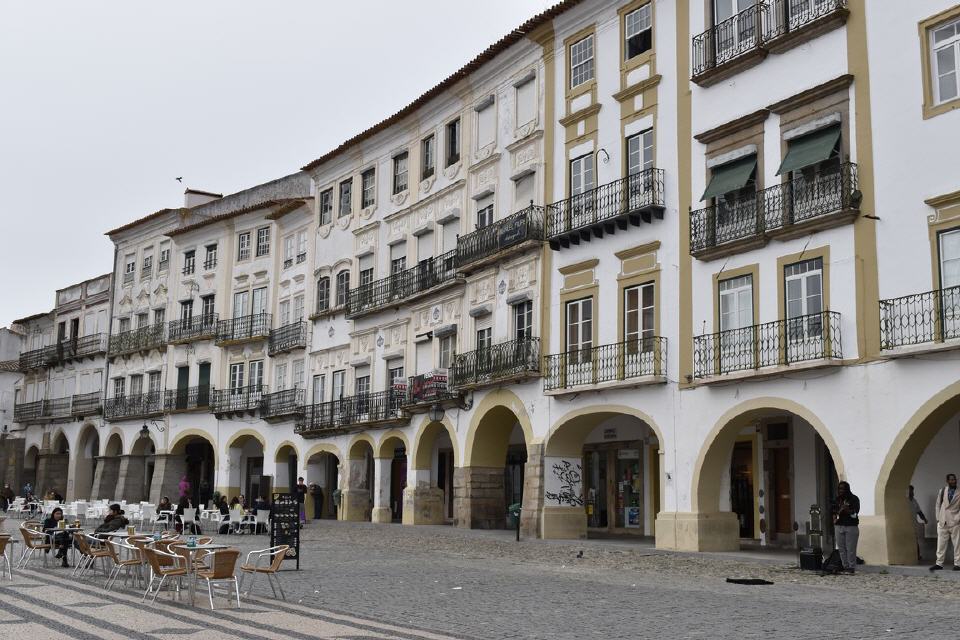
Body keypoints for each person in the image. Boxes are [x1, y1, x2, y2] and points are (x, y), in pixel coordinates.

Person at [930, 473, 960, 571]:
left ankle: (958, 564)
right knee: (941, 544)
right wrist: (938, 518)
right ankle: (939, 564)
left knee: (957, 544)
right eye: (951, 480)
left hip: (955, 522)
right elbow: (938, 505)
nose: (953, 481)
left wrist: (957, 519)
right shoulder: (942, 491)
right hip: (942, 521)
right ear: (947, 481)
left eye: (954, 479)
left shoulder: (959, 492)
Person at [832, 481, 860, 574]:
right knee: (841, 548)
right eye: (839, 489)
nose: (841, 491)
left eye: (843, 489)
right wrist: (834, 517)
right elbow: (834, 511)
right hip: (839, 526)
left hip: (851, 526)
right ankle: (845, 566)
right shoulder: (837, 499)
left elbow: (855, 514)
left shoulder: (854, 499)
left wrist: (847, 510)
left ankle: (851, 567)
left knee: (850, 548)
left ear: (847, 489)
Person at [909, 485, 928, 561]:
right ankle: (913, 556)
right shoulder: (903, 500)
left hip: (913, 523)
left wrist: (924, 519)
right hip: (905, 524)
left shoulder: (914, 501)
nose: (912, 492)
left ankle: (917, 556)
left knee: (915, 539)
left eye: (912, 490)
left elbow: (919, 511)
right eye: (910, 490)